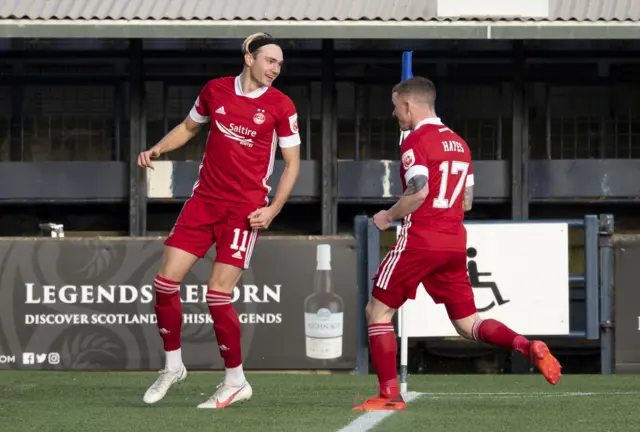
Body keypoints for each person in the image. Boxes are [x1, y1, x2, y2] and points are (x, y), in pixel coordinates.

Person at [353, 76, 561, 411]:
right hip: (453, 241)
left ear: (408, 103)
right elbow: (466, 201)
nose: (394, 114)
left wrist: (388, 216)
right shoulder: (461, 144)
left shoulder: (414, 141)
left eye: (395, 107)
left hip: (419, 239)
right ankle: (526, 345)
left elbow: (419, 190)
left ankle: (388, 394)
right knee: (469, 324)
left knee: (376, 313)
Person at [137, 32, 301, 408]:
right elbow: (190, 127)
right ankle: (173, 366)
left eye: (279, 64)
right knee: (164, 284)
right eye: (269, 61)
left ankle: (235, 380)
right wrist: (158, 148)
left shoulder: (282, 106)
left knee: (216, 293)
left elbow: (292, 163)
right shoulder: (215, 90)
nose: (275, 69)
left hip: (245, 211)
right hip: (203, 202)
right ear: (249, 57)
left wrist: (273, 208)